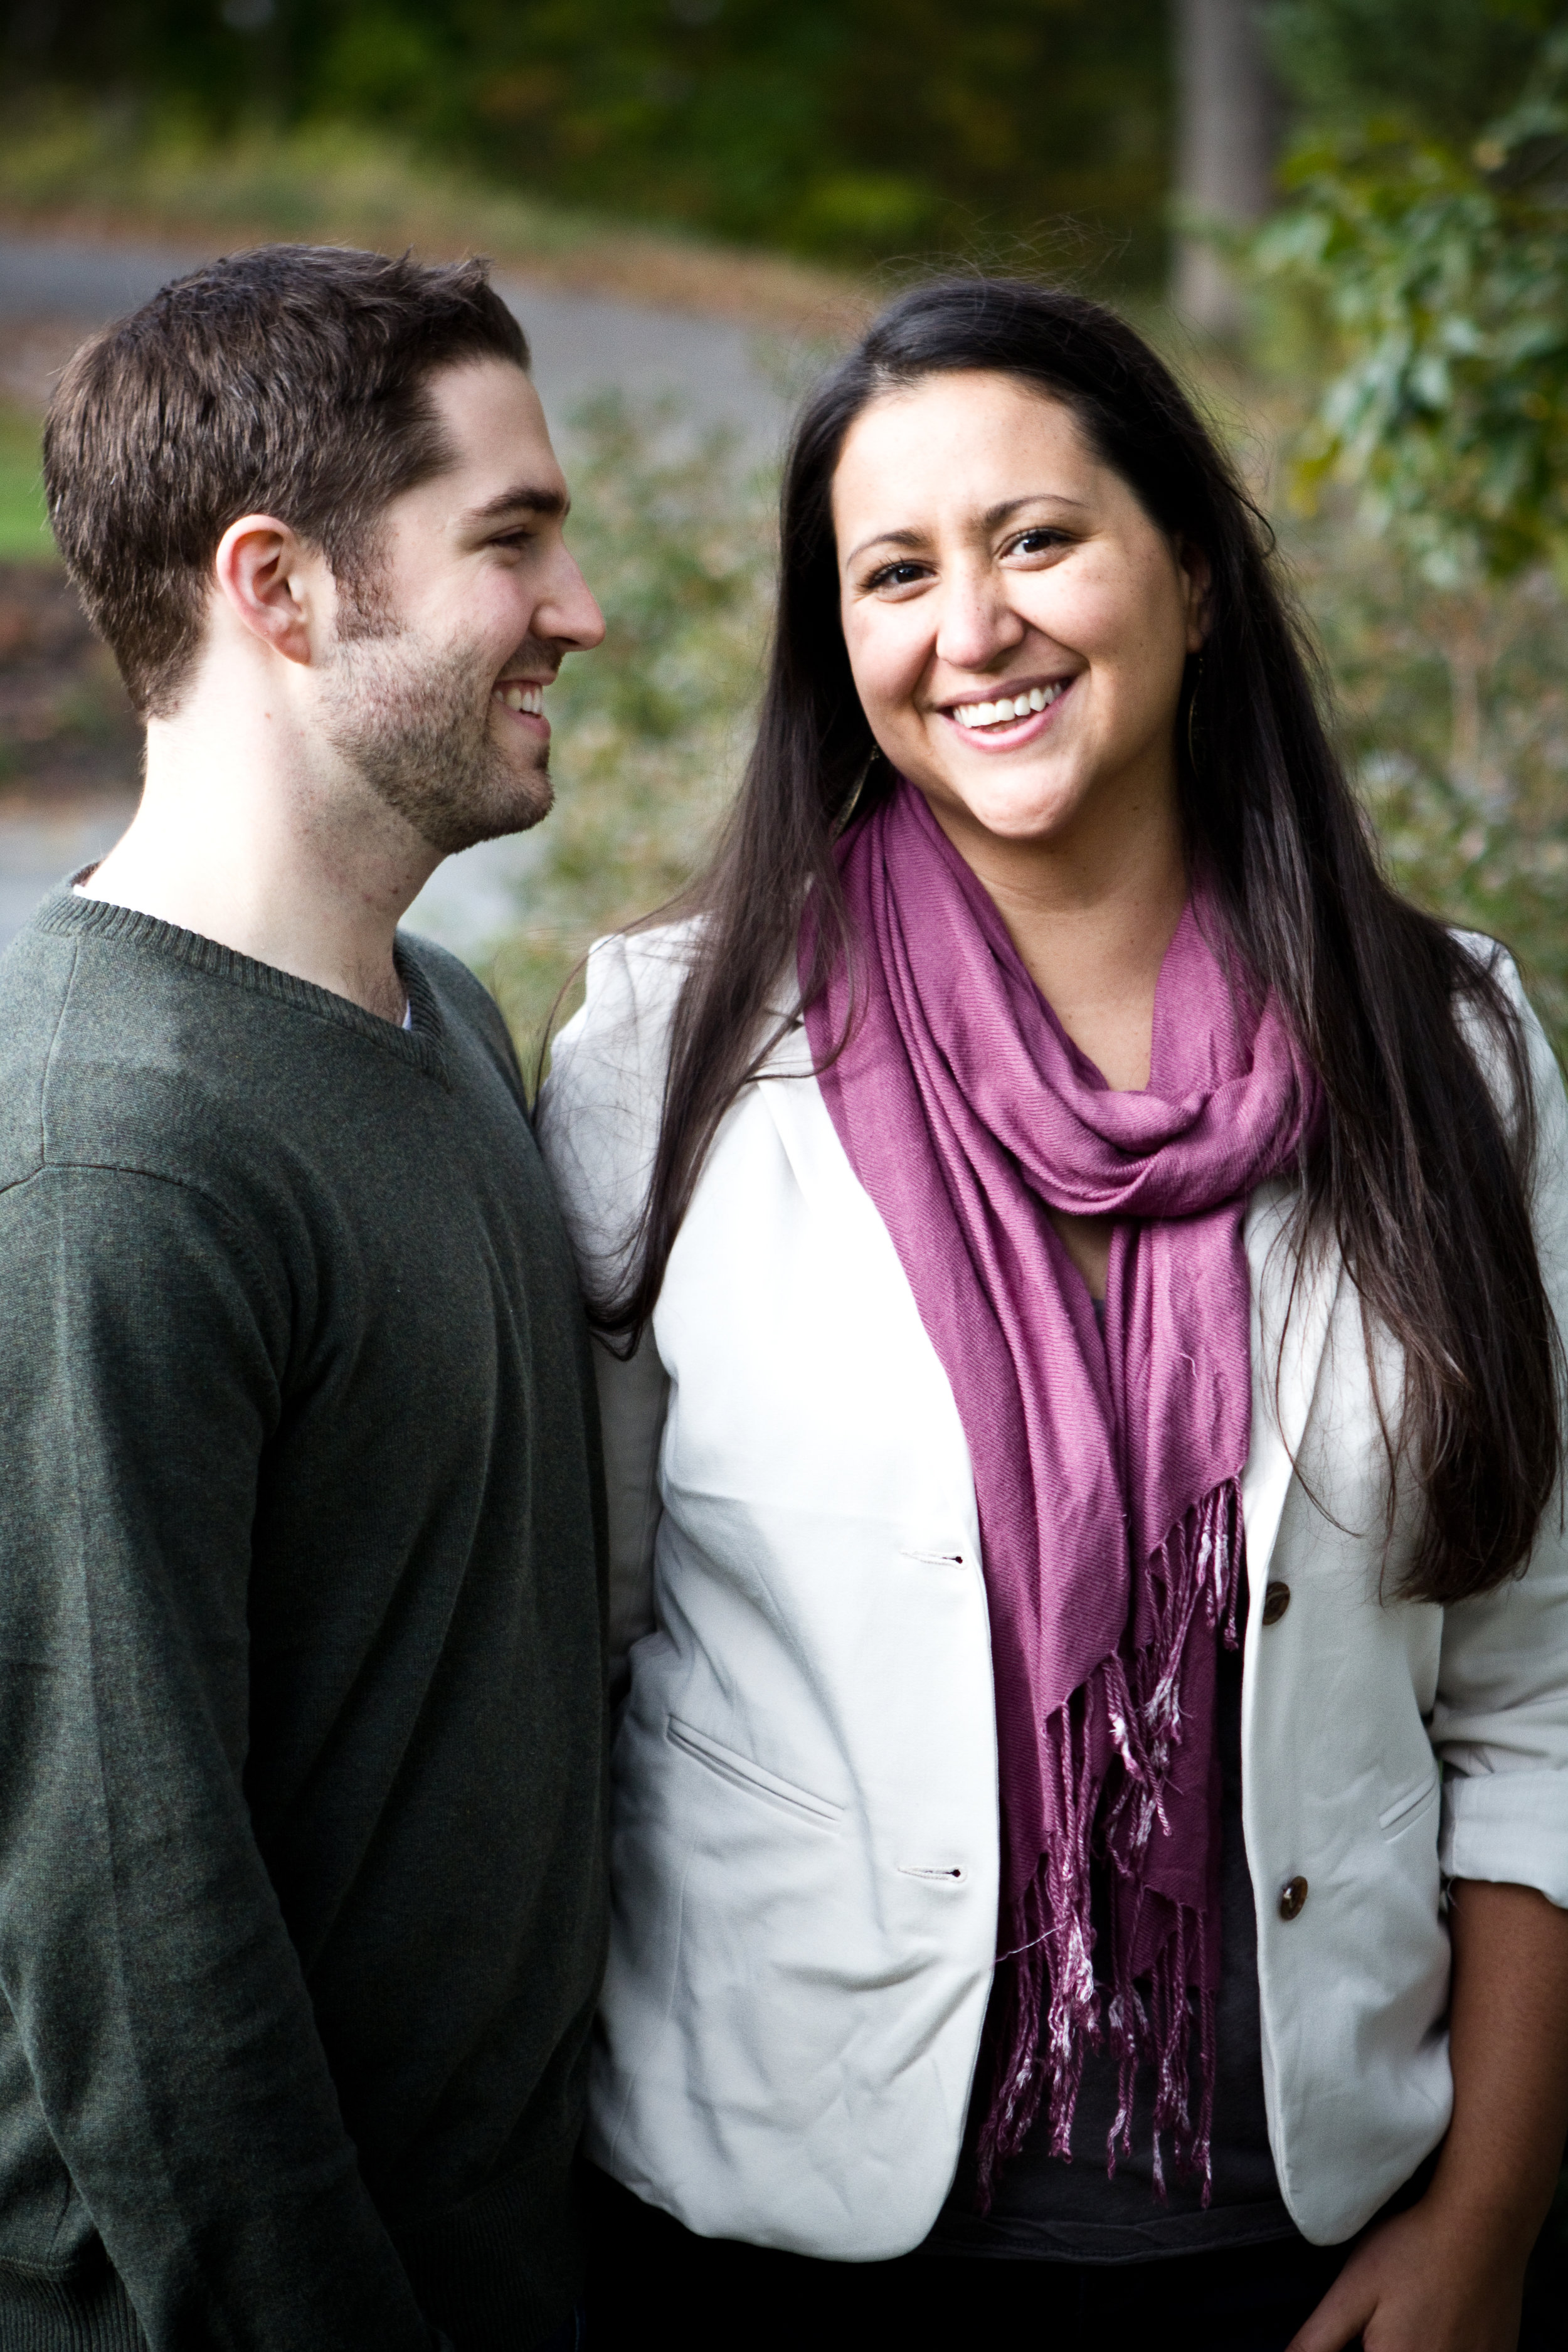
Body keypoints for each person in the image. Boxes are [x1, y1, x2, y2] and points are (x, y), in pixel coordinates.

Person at [538, 278, 1568, 2351]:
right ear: (838, 645)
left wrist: (1489, 2221)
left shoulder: (1449, 1048)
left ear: (1186, 563)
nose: (971, 627)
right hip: (775, 2248)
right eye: (893, 572)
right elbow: (582, 1642)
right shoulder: (674, 1056)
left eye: (1033, 539)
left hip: (1307, 2249)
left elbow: (1533, 1691)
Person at [0, 244, 608, 2350]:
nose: (580, 610)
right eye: (508, 542)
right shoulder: (109, 1152)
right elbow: (124, 1921)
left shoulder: (443, 1012)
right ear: (283, 589)